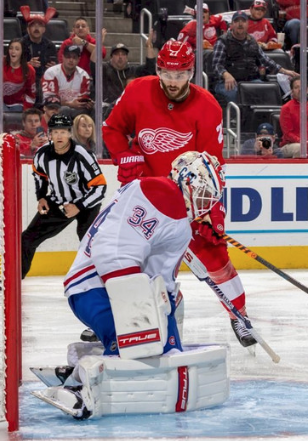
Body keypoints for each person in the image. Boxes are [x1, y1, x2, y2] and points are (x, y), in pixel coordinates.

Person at [102, 39, 259, 348]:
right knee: (142, 262)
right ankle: (133, 320)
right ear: (158, 70)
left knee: (214, 256)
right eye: (167, 73)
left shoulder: (207, 107)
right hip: (147, 196)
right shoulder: (137, 91)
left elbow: (211, 166)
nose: (172, 81)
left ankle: (239, 316)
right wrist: (126, 156)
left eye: (180, 74)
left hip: (187, 199)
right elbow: (112, 129)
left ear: (191, 73)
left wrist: (211, 210)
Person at [46, 151, 225, 420]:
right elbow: (112, 251)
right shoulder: (156, 191)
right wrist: (138, 317)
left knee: (165, 351)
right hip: (90, 287)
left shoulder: (179, 222)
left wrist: (167, 331)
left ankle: (88, 356)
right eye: (203, 191)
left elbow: (161, 280)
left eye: (210, 196)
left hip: (123, 287)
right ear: (186, 180)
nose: (205, 202)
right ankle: (78, 381)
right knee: (133, 346)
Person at [21, 114, 107, 278]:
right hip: (58, 202)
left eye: (63, 132)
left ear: (69, 134)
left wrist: (79, 206)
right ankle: (16, 277)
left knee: (88, 243)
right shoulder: (42, 154)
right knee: (26, 239)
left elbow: (100, 187)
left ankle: (98, 279)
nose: (59, 136)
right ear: (50, 134)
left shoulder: (83, 155)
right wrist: (41, 197)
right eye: (55, 132)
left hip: (86, 204)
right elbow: (39, 176)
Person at [212, 12, 298, 104]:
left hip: (250, 79)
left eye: (243, 21)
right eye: (237, 21)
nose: (240, 24)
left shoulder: (252, 41)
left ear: (248, 24)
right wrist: (226, 75)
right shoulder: (223, 41)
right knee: (234, 92)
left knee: (267, 90)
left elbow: (265, 60)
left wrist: (285, 71)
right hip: (228, 81)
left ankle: (266, 117)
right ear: (232, 24)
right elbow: (216, 65)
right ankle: (235, 117)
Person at [0, 38, 37, 112]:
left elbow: (31, 94)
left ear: (22, 52)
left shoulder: (29, 70)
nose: (13, 52)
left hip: (17, 104)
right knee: (3, 112)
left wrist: (25, 110)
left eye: (17, 49)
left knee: (15, 116)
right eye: (11, 48)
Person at [20, 6, 58, 108]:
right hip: (24, 80)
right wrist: (27, 65)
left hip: (44, 81)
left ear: (44, 29)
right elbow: (12, 66)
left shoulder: (50, 45)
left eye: (40, 25)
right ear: (28, 29)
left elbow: (57, 67)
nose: (36, 28)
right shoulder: (20, 44)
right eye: (33, 25)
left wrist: (53, 68)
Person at [42, 44, 92, 118]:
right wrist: (70, 104)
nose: (71, 60)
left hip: (77, 110)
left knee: (94, 109)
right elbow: (50, 101)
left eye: (74, 57)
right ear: (62, 57)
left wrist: (86, 103)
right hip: (56, 108)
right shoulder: (51, 73)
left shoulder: (84, 75)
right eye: (68, 56)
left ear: (79, 59)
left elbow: (84, 98)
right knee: (65, 110)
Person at [102, 41, 156, 106]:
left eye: (123, 54)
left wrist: (149, 47)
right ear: (111, 57)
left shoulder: (133, 70)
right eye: (117, 54)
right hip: (109, 108)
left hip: (130, 106)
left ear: (127, 58)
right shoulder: (104, 69)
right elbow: (93, 65)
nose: (120, 57)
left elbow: (150, 68)